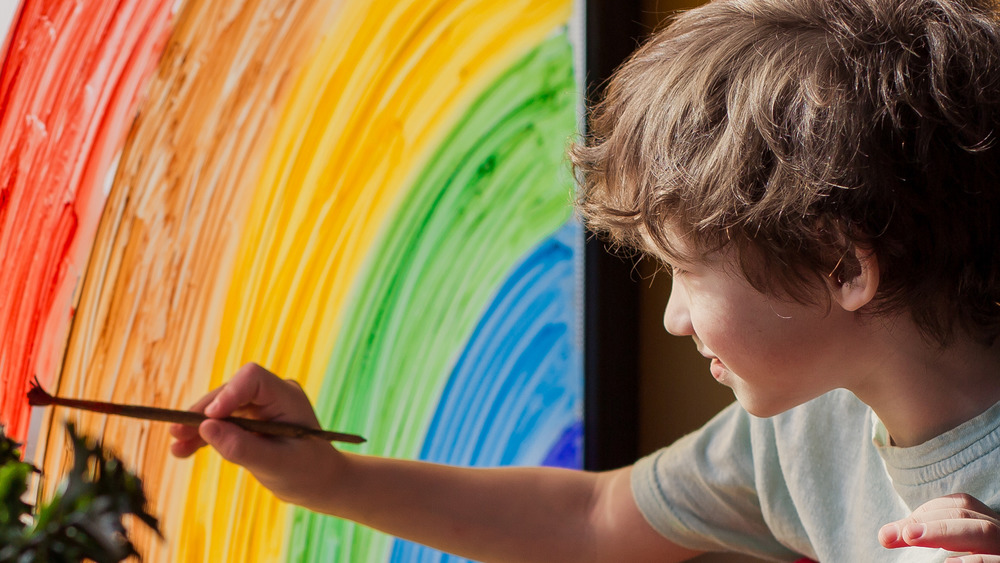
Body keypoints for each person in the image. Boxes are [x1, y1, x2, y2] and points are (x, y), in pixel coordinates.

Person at [170, 0, 1000, 560]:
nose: (674, 318)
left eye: (683, 270)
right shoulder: (805, 428)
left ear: (843, 265)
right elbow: (591, 519)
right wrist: (331, 479)